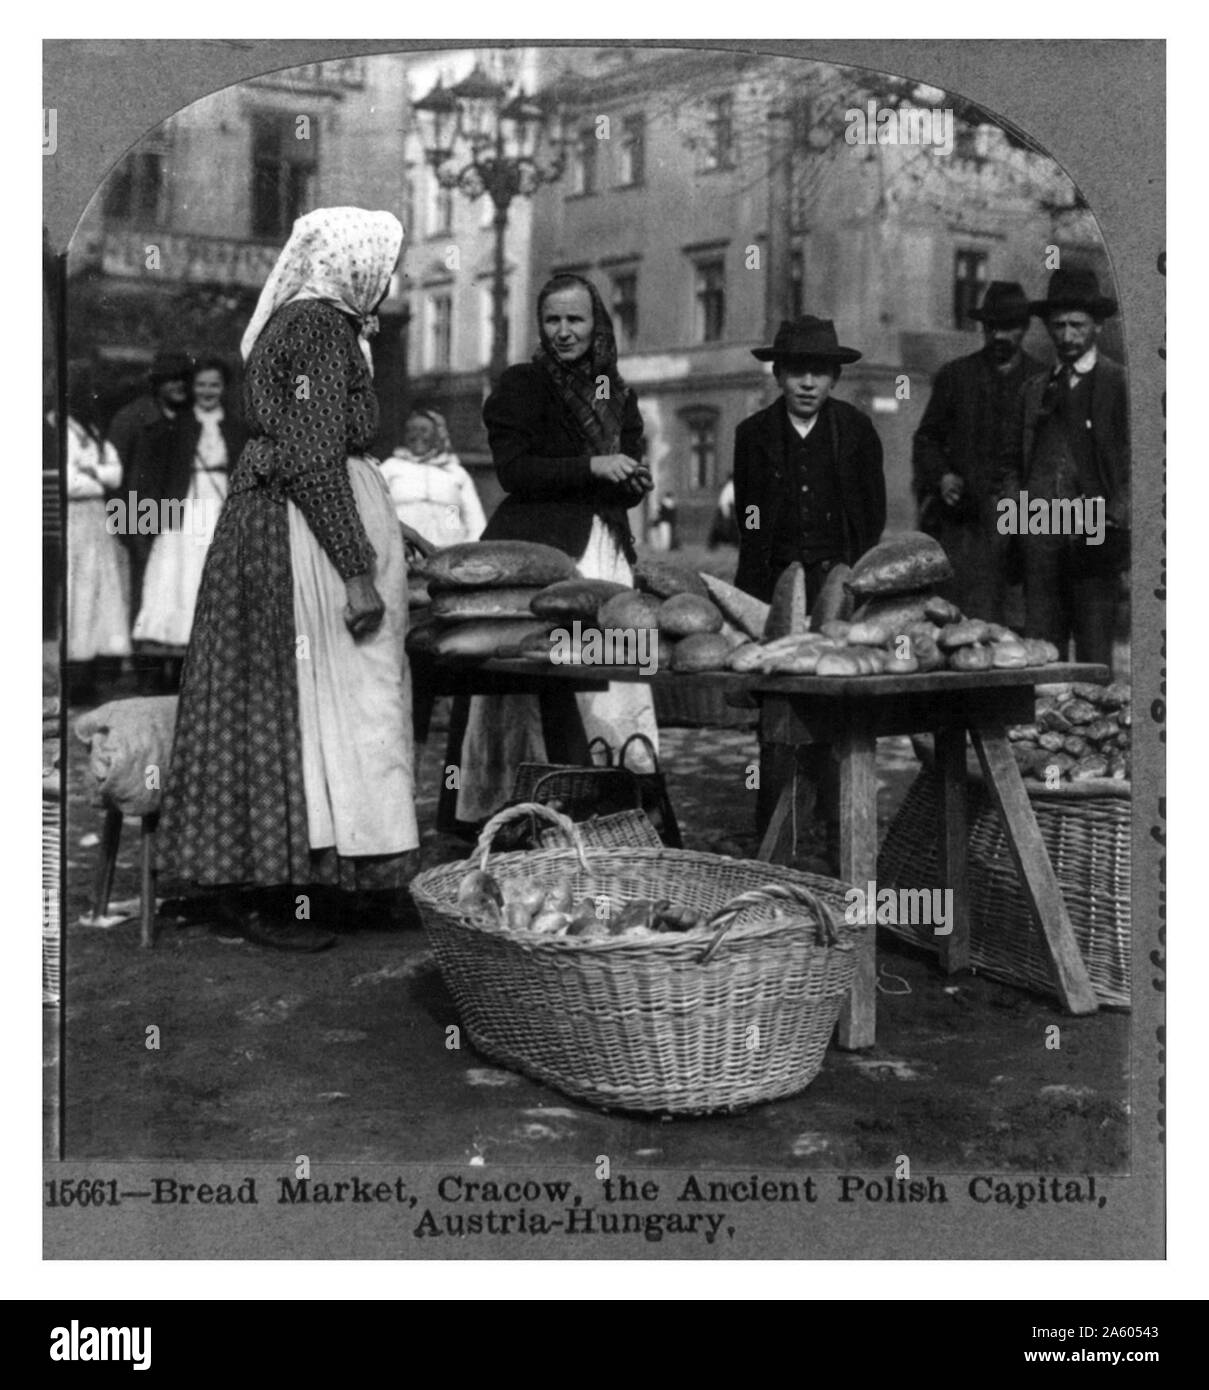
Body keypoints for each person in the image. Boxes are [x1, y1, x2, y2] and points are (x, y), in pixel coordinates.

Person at [160, 207, 418, 951]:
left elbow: (319, 445)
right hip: (299, 535)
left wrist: (390, 530)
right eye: (384, 261)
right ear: (354, 264)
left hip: (302, 519)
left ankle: (335, 879)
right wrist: (356, 570)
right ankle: (279, 888)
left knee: (328, 710)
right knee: (317, 705)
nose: (390, 276)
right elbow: (309, 452)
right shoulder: (315, 327)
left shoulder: (322, 325)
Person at [451, 271, 657, 828]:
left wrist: (632, 481)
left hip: (602, 551)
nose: (564, 332)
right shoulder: (522, 385)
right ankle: (520, 812)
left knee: (609, 682)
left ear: (596, 325)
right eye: (553, 320)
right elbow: (516, 472)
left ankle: (608, 810)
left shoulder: (616, 392)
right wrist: (591, 466)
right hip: (537, 552)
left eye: (576, 320)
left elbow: (626, 462)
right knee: (531, 679)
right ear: (540, 326)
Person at [733, 315, 885, 859]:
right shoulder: (752, 436)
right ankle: (776, 836)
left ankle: (839, 832)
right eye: (796, 371)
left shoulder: (856, 432)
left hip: (836, 587)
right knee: (778, 713)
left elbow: (872, 516)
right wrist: (752, 598)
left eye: (819, 373)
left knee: (837, 708)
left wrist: (851, 582)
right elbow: (748, 521)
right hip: (775, 586)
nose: (807, 384)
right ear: (778, 375)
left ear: (834, 379)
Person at [1005, 268, 1129, 667]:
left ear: (1098, 325)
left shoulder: (1120, 384)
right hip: (1040, 536)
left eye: (1077, 325)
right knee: (1042, 658)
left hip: (1095, 538)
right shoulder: (1034, 390)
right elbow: (1012, 463)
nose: (1067, 336)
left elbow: (1143, 463)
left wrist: (1114, 520)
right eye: (1057, 326)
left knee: (1094, 662)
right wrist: (1016, 524)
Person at [911, 281, 1043, 622]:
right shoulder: (955, 377)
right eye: (993, 327)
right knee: (957, 623)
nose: (1000, 336)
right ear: (983, 328)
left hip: (1020, 532)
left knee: (1014, 629)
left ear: (1025, 329)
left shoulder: (1043, 381)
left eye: (1009, 327)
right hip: (963, 528)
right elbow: (926, 439)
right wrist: (942, 476)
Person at [132, 358, 248, 655]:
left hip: (222, 503)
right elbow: (158, 475)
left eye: (214, 385)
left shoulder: (236, 426)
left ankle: (221, 641)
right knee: (178, 571)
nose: (207, 391)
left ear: (223, 388)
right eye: (201, 385)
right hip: (183, 505)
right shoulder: (176, 425)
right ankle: (177, 643)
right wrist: (148, 519)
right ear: (192, 388)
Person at [62, 362, 132, 703]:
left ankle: (92, 674)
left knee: (100, 593)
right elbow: (69, 482)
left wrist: (95, 471)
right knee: (79, 592)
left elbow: (116, 474)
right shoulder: (58, 428)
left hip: (96, 517)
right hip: (73, 518)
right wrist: (96, 474)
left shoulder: (91, 430)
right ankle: (75, 675)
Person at [109, 352, 192, 617]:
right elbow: (115, 477)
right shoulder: (131, 420)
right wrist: (125, 523)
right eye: (171, 379)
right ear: (157, 383)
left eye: (183, 379)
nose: (179, 385)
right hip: (142, 515)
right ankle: (142, 653)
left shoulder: (188, 419)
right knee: (144, 585)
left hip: (182, 515)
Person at [378, 408, 486, 547]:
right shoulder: (390, 467)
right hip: (403, 549)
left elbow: (475, 520)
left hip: (449, 551)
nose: (417, 435)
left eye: (424, 430)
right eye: (412, 430)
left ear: (437, 435)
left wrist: (467, 549)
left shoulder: (455, 471)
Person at [707, 473, 739, 549]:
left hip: (725, 509)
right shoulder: (731, 487)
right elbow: (726, 501)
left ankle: (713, 543)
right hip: (728, 509)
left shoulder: (728, 487)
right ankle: (713, 543)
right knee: (729, 528)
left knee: (721, 528)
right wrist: (726, 513)